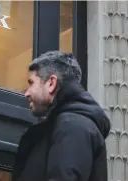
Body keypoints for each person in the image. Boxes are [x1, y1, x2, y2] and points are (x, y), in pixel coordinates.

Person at [13, 51, 111, 181]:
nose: (27, 93)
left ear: (51, 83)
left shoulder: (73, 126)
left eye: (31, 83)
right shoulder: (65, 125)